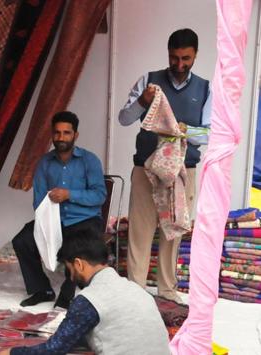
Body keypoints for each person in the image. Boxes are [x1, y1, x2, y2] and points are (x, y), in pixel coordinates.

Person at [119, 28, 211, 303]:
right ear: (167, 54)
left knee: (174, 231)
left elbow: (210, 134)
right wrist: (142, 102)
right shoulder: (148, 82)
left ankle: (167, 291)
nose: (179, 65)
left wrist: (185, 131)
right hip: (146, 170)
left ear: (196, 55)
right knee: (140, 229)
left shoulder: (206, 88)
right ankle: (136, 290)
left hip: (183, 173)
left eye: (186, 58)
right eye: (174, 58)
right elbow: (124, 118)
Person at [0, 230, 170, 355]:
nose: (70, 276)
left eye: (69, 269)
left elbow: (54, 350)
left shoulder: (89, 300)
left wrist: (12, 353)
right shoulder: (137, 290)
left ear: (79, 264)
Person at [12, 111, 106, 309]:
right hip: (54, 220)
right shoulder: (45, 162)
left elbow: (99, 196)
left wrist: (69, 194)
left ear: (75, 135)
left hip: (84, 219)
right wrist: (46, 222)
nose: (61, 138)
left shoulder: (89, 160)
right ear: (52, 134)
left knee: (75, 246)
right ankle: (42, 289)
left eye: (66, 133)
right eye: (57, 133)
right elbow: (38, 199)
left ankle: (67, 294)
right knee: (22, 241)